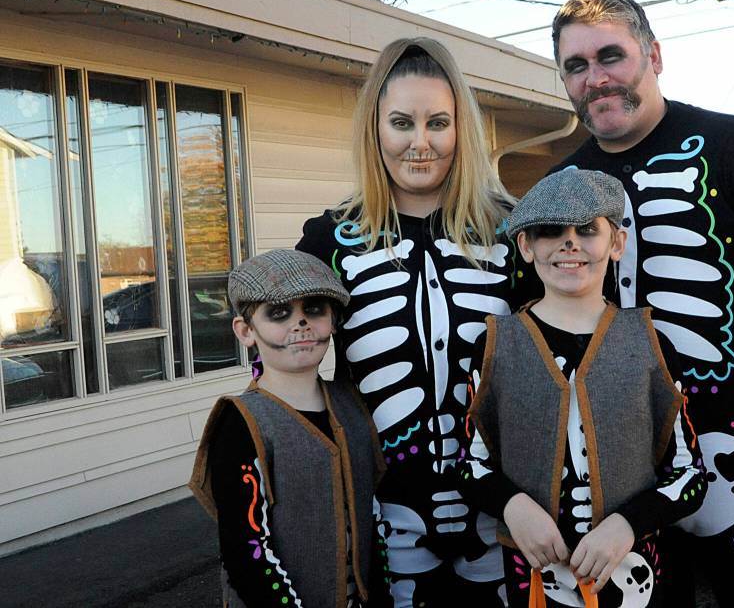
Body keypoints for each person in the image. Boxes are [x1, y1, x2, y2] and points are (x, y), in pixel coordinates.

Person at [547, 0, 734, 607]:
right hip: (617, 482)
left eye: (612, 55)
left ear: (654, 55)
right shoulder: (559, 190)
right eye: (576, 66)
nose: (595, 78)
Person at [296, 37, 529, 607]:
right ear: (375, 131)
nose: (419, 143)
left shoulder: (514, 232)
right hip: (384, 523)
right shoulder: (330, 240)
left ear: (462, 131)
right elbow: (282, 365)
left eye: (438, 123)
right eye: (401, 122)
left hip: (507, 519)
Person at [459, 169, 707, 607]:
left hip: (634, 577)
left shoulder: (651, 343)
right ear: (526, 246)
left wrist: (628, 524)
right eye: (551, 231)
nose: (569, 243)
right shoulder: (496, 345)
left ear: (616, 244)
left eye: (587, 229)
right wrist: (514, 507)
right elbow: (468, 465)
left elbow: (690, 475)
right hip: (534, 577)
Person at [189, 249, 386, 607]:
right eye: (279, 313)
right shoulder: (240, 423)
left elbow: (373, 521)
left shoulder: (351, 408)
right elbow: (246, 553)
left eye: (314, 310)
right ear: (246, 330)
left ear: (332, 321)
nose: (301, 324)